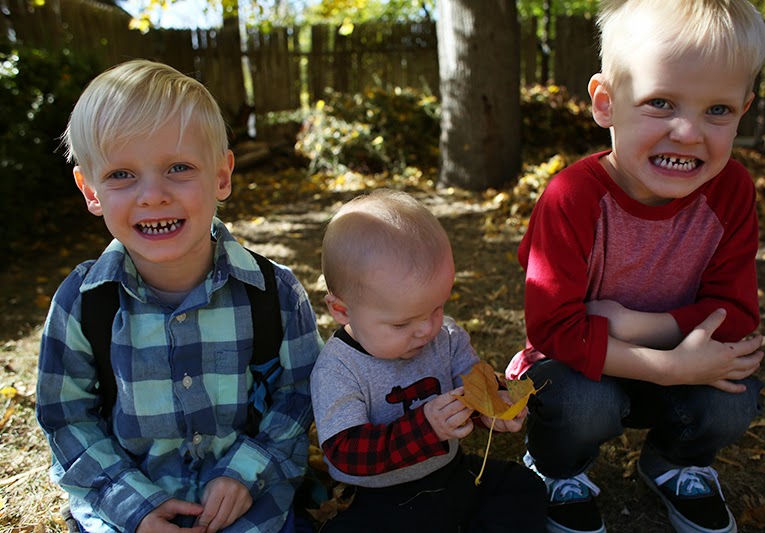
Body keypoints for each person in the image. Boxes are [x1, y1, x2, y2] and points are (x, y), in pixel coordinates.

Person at [505, 1, 765, 532]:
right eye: (660, 102)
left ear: (743, 110)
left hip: (677, 356)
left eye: (718, 110)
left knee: (736, 396)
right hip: (579, 367)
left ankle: (673, 463)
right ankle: (558, 468)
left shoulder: (732, 190)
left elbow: (736, 314)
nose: (688, 132)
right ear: (606, 103)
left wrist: (639, 325)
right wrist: (669, 367)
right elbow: (555, 329)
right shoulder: (572, 197)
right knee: (579, 403)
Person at [36, 59, 323, 533]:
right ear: (90, 190)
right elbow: (66, 418)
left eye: (179, 168)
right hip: (126, 508)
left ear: (222, 176)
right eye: (121, 175)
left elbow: (299, 393)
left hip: (249, 503)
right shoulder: (83, 303)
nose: (153, 195)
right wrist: (132, 504)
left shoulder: (274, 293)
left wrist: (247, 471)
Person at [310, 189, 546, 532]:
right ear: (342, 311)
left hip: (450, 475)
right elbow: (345, 452)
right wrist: (425, 429)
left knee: (523, 489)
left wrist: (495, 405)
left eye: (436, 308)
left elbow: (472, 386)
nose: (426, 330)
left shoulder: (445, 337)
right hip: (376, 499)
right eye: (402, 323)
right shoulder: (338, 368)